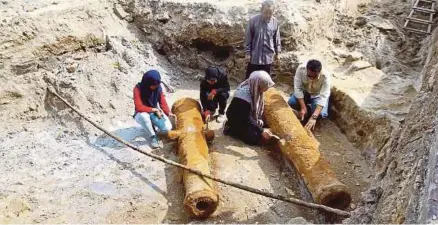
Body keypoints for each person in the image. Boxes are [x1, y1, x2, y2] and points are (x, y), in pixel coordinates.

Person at [223, 71, 276, 146]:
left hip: (246, 115)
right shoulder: (243, 95)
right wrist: (261, 131)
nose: (266, 89)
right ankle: (230, 128)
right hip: (237, 118)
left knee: (262, 126)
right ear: (258, 85)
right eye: (264, 87)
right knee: (254, 137)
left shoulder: (254, 88)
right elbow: (246, 117)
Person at [133, 70, 174, 149]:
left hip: (154, 111)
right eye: (154, 85)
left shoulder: (158, 88)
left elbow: (162, 102)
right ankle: (152, 136)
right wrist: (153, 110)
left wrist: (168, 112)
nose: (156, 86)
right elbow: (139, 107)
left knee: (167, 128)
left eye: (157, 84)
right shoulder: (138, 89)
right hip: (141, 113)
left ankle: (152, 123)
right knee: (144, 117)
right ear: (148, 83)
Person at [288, 59, 331, 132]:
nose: (311, 78)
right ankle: (306, 109)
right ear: (307, 69)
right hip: (305, 92)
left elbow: (323, 97)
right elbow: (298, 88)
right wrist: (303, 107)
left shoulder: (325, 76)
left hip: (317, 95)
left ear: (319, 72)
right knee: (292, 102)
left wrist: (314, 117)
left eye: (314, 77)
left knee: (321, 114)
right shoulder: (301, 69)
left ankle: (310, 111)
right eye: (309, 76)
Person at [244, 0, 281, 79]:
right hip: (254, 57)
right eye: (265, 12)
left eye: (270, 12)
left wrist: (278, 53)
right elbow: (248, 38)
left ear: (273, 11)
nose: (268, 15)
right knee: (250, 80)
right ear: (261, 10)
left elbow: (276, 39)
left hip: (268, 58)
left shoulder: (275, 22)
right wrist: (247, 53)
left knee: (265, 81)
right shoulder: (253, 21)